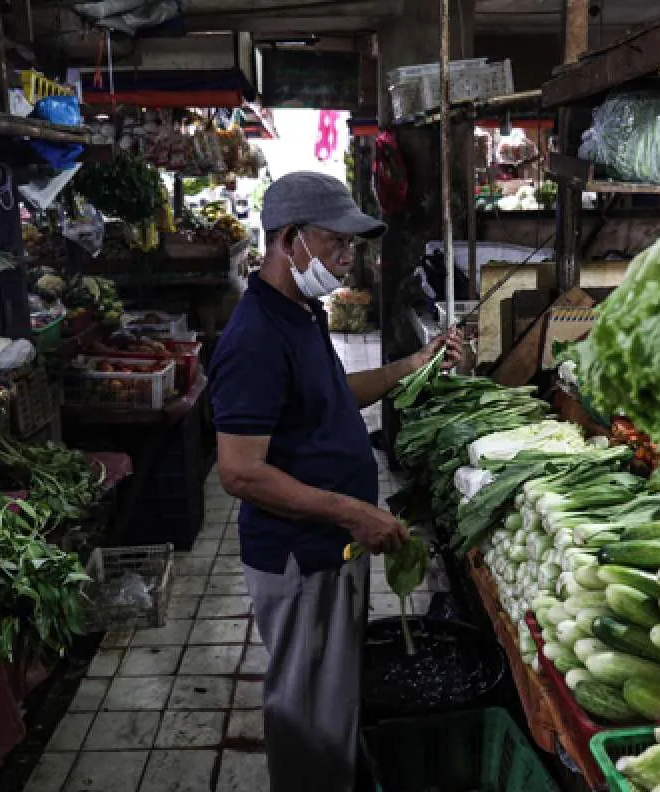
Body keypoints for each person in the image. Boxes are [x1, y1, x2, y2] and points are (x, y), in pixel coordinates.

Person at [209, 171, 461, 792]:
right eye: (337, 244)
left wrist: (415, 364)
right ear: (290, 240)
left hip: (327, 547)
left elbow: (334, 397)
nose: (349, 259)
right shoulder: (255, 337)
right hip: (300, 557)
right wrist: (354, 514)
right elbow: (239, 471)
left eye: (354, 246)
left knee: (329, 696)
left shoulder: (301, 313)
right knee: (305, 706)